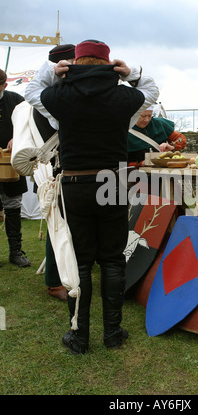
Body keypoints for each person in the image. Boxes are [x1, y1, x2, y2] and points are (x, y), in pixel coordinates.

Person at [25, 39, 159, 354]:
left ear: (75, 62)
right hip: (112, 182)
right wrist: (132, 73)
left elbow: (32, 92)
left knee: (81, 261)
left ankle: (79, 336)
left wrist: (52, 71)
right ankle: (112, 333)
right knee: (112, 260)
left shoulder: (60, 96)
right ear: (108, 64)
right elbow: (151, 92)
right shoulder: (122, 96)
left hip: (75, 184)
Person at [33, 44, 75, 302]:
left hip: (69, 164)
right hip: (54, 168)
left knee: (70, 221)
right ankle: (53, 281)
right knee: (57, 222)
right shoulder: (47, 95)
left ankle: (70, 270)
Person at [0, 69, 31, 267]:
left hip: (11, 164)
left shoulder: (18, 101)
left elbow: (29, 124)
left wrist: (17, 138)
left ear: (4, 85)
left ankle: (15, 252)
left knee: (13, 208)